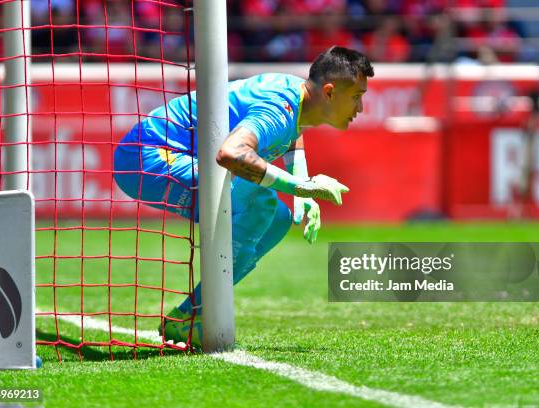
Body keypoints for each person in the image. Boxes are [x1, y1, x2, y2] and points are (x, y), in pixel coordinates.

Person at [113, 46, 373, 347]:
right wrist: (301, 187)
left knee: (278, 220)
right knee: (261, 204)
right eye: (356, 97)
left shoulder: (296, 96)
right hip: (148, 156)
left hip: (167, 155)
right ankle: (195, 317)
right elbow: (231, 154)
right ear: (329, 92)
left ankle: (188, 316)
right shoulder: (279, 107)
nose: (361, 108)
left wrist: (302, 186)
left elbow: (292, 129)